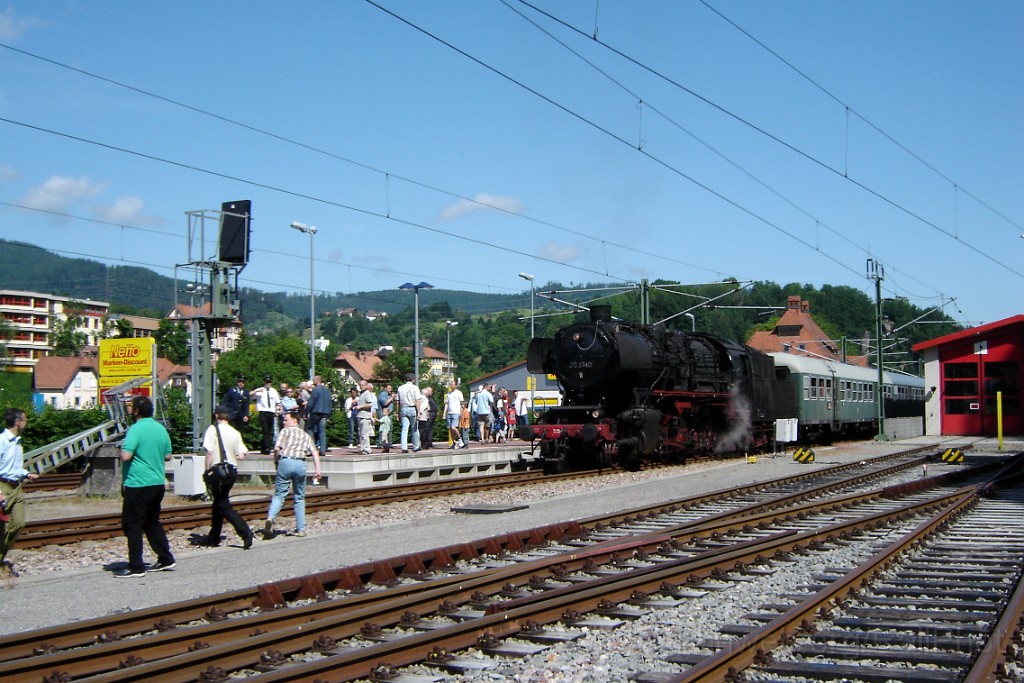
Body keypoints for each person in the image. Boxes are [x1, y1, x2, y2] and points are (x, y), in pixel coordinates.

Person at [115, 396, 175, 577]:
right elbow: (168, 456)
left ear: (136, 411)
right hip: (157, 482)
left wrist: (120, 452)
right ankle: (166, 558)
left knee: (132, 524)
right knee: (151, 522)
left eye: (131, 407)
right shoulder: (160, 428)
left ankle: (136, 567)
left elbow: (126, 456)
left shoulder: (135, 429)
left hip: (138, 482)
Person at [201, 407, 254, 549]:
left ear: (216, 416)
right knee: (219, 503)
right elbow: (242, 455)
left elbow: (209, 453)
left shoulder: (212, 430)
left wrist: (207, 471)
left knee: (223, 505)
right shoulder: (235, 432)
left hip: (217, 471)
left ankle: (245, 532)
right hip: (231, 471)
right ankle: (213, 538)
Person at [265, 411, 321, 539]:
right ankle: (301, 529)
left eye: (286, 420)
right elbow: (314, 452)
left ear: (295, 420)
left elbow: (276, 449)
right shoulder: (305, 435)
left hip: (286, 461)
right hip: (300, 464)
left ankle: (270, 518)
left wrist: (275, 462)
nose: (283, 422)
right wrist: (318, 470)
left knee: (279, 495)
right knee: (299, 497)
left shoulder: (284, 432)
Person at [0, 408, 38, 575]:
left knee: (18, 523)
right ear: (17, 422)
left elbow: (13, 466)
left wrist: (26, 474)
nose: (26, 422)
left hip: (16, 487)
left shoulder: (18, 441)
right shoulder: (2, 440)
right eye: (25, 419)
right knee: (3, 528)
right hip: (3, 487)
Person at [252, 375, 281, 455]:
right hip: (263, 411)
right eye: (267, 382)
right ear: (264, 382)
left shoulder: (273, 391)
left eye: (269, 382)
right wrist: (256, 390)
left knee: (269, 430)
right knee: (265, 430)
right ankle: (267, 447)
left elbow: (277, 402)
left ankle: (263, 447)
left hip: (271, 412)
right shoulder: (260, 390)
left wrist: (278, 409)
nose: (268, 383)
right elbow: (249, 395)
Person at [305, 375, 332, 455]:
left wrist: (306, 412)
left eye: (314, 381)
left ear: (317, 381)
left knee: (309, 428)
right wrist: (329, 414)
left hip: (316, 412)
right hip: (325, 413)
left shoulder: (316, 389)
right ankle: (322, 450)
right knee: (322, 431)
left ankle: (312, 448)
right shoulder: (327, 391)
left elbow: (311, 402)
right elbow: (330, 403)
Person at [397, 373, 421, 453]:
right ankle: (416, 446)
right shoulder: (415, 388)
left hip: (403, 408)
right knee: (414, 428)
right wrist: (419, 412)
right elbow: (417, 400)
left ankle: (404, 447)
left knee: (404, 428)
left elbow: (398, 401)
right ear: (413, 379)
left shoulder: (400, 388)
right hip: (412, 408)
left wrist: (398, 412)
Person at [356, 380, 376, 455]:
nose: (361, 386)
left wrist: (360, 407)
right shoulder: (362, 394)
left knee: (365, 434)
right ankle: (363, 448)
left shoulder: (367, 393)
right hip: (361, 416)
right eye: (360, 385)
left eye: (363, 385)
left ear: (366, 385)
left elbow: (370, 404)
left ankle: (367, 449)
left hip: (365, 416)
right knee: (361, 434)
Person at [444, 379, 465, 449]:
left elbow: (462, 403)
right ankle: (453, 442)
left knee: (453, 427)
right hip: (449, 412)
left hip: (456, 412)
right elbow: (446, 404)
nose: (451, 386)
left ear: (456, 385)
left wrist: (461, 412)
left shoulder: (459, 393)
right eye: (451, 385)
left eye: (452, 385)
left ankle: (460, 439)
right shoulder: (448, 394)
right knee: (450, 429)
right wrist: (444, 413)